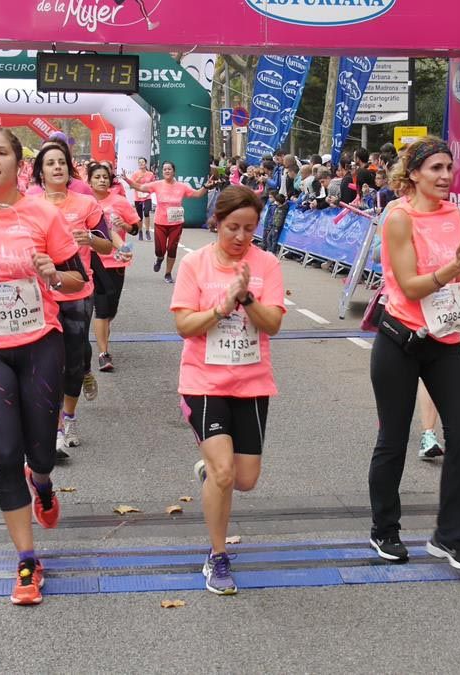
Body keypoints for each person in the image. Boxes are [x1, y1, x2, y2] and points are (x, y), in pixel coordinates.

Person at [0, 127, 89, 606]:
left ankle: (42, 483)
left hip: (39, 343)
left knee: (39, 453)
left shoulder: (41, 213)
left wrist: (54, 274)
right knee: (5, 453)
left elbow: (77, 280)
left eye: (0, 152)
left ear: (17, 163)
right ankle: (27, 561)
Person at [367, 136, 460, 569]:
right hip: (400, 338)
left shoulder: (453, 214)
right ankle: (384, 531)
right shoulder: (398, 217)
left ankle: (450, 537)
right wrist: (453, 267)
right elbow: (411, 286)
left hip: (443, 339)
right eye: (436, 168)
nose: (446, 176)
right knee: (392, 440)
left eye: (449, 168)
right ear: (413, 174)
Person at [171, 185, 286, 595]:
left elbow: (272, 323)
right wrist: (221, 307)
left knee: (245, 480)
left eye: (250, 229)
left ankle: (212, 473)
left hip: (251, 381)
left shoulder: (267, 263)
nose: (240, 237)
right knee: (224, 472)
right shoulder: (195, 265)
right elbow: (183, 325)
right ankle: (217, 557)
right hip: (203, 381)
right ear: (216, 222)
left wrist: (246, 296)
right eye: (233, 227)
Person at [30, 143, 114, 458]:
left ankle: (70, 418)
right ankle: (53, 431)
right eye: (50, 163)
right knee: (48, 362)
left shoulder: (86, 203)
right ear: (41, 170)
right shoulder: (29, 203)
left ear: (69, 169)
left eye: (61, 163)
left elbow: (107, 247)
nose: (56, 168)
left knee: (74, 362)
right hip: (40, 295)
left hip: (78, 292)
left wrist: (91, 239)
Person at [123, 161, 215, 283]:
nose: (167, 171)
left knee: (172, 248)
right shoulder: (157, 184)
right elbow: (140, 187)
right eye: (165, 169)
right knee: (159, 250)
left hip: (176, 223)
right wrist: (127, 180)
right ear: (162, 172)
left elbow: (197, 194)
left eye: (169, 169)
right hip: (160, 222)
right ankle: (159, 259)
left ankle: (168, 273)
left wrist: (206, 187)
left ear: (174, 171)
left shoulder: (182, 186)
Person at [89, 162, 140, 373]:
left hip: (117, 261)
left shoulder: (119, 201)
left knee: (111, 309)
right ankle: (103, 353)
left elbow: (135, 229)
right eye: (97, 177)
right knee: (101, 309)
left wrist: (125, 226)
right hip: (94, 260)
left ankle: (103, 335)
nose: (102, 180)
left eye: (104, 177)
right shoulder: (85, 203)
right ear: (89, 181)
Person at [130, 157, 155, 241]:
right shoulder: (135, 174)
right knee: (139, 216)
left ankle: (147, 231)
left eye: (142, 162)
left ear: (145, 163)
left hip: (147, 196)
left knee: (147, 212)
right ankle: (140, 231)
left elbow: (153, 184)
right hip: (138, 197)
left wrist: (149, 190)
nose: (141, 164)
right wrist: (138, 178)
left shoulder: (150, 174)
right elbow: (131, 185)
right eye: (139, 162)